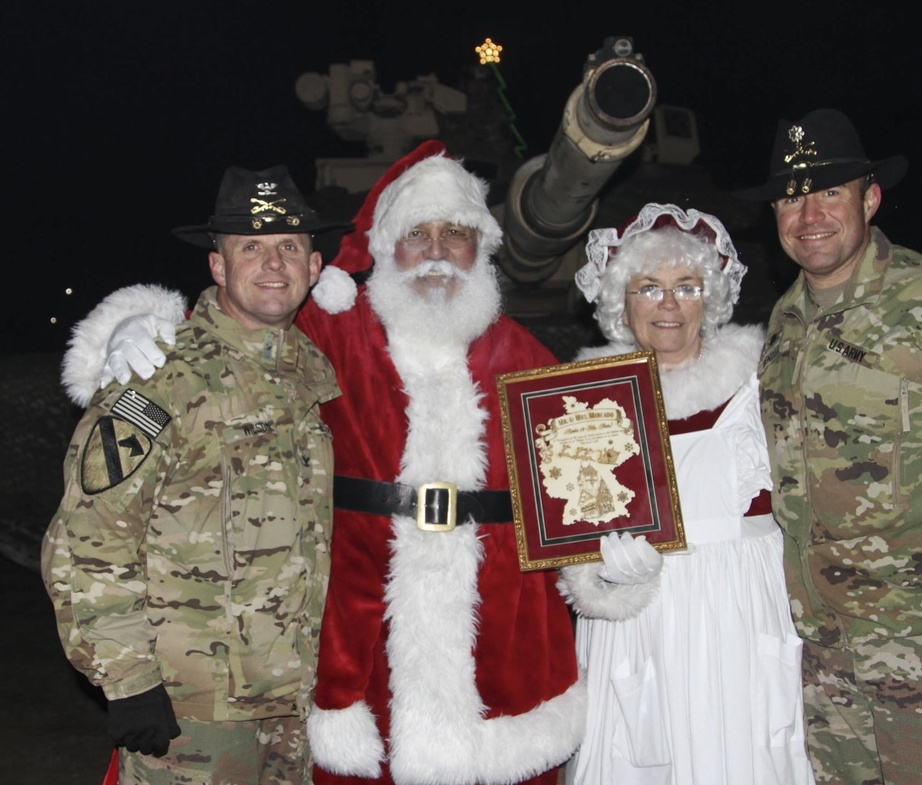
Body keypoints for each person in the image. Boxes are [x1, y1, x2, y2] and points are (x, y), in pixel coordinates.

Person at [59, 140, 586, 785]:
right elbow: (89, 539)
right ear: (385, 247)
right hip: (285, 675)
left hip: (480, 659)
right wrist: (140, 322)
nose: (438, 250)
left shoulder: (315, 363)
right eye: (416, 233)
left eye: (457, 232)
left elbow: (585, 492)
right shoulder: (329, 337)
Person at [42, 165, 342, 784]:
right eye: (250, 247)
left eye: (289, 247)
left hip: (286, 697)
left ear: (314, 269)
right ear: (217, 266)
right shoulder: (162, 375)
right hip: (193, 705)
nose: (272, 264)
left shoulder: (308, 375)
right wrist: (127, 681)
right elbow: (87, 537)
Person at [734, 107, 922, 783]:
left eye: (829, 190)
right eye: (792, 197)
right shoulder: (785, 324)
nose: (809, 214)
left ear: (870, 198)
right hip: (829, 658)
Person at [557, 202, 815, 784]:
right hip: (638, 617)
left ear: (713, 296)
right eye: (649, 287)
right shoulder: (585, 403)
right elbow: (566, 523)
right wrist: (598, 569)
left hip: (738, 615)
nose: (669, 305)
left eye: (687, 286)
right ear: (620, 302)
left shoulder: (761, 383)